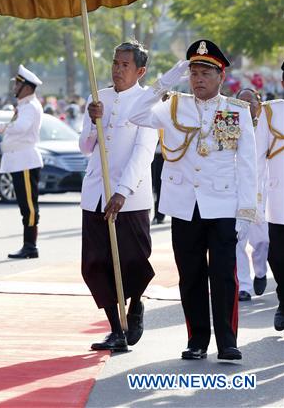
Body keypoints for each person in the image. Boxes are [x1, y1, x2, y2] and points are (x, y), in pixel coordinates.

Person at [129, 39, 257, 361]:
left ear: (220, 77)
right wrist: (166, 80)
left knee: (224, 275)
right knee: (192, 274)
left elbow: (247, 164)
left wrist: (246, 212)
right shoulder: (174, 105)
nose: (198, 79)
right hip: (185, 204)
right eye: (194, 72)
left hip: (223, 205)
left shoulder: (236, 111)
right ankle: (198, 339)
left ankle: (227, 341)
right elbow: (135, 113)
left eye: (205, 73)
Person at [79, 41, 158, 353]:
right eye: (115, 63)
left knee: (133, 260)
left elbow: (143, 153)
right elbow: (86, 147)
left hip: (131, 197)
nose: (117, 69)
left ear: (140, 71)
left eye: (125, 65)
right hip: (96, 193)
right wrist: (91, 120)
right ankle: (116, 329)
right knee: (96, 263)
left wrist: (123, 192)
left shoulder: (148, 101)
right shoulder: (97, 98)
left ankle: (136, 303)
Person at [0, 65, 44, 259]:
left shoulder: (30, 107)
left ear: (26, 87)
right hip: (19, 160)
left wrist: (1, 127)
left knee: (29, 206)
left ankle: (30, 246)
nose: (14, 87)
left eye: (17, 83)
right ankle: (28, 245)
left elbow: (22, 127)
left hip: (25, 160)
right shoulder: (25, 106)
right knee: (25, 205)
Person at [255, 60, 284, 331]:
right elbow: (257, 158)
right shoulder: (271, 113)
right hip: (280, 202)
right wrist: (255, 197)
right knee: (278, 256)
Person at [233, 88, 268, 302]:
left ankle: (261, 271)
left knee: (263, 240)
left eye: (250, 102)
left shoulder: (269, 124)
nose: (246, 106)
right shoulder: (228, 125)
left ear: (259, 104)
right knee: (237, 239)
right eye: (241, 102)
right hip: (239, 190)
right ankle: (243, 286)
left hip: (264, 192)